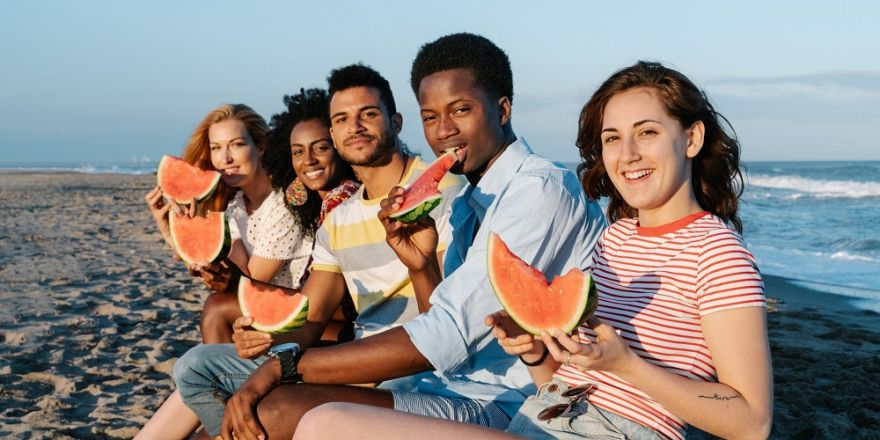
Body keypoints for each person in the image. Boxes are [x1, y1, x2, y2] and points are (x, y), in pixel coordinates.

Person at [294, 61, 773, 440]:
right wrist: (534, 351)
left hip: (612, 434)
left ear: (691, 138)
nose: (627, 153)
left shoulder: (718, 253)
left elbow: (751, 422)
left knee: (325, 423)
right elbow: (557, 380)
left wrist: (625, 363)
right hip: (542, 417)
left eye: (646, 132)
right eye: (612, 138)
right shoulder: (614, 238)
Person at [217, 33, 606, 440]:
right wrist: (419, 266)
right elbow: (439, 319)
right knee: (270, 404)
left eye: (461, 110)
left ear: (503, 109)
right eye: (431, 117)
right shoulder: (467, 201)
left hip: (512, 403)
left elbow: (447, 334)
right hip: (452, 388)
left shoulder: (540, 190)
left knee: (278, 408)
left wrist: (286, 364)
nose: (444, 132)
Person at [172, 65, 465, 439]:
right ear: (333, 132)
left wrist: (280, 368)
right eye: (342, 119)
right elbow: (308, 319)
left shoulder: (445, 191)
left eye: (368, 114)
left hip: (415, 369)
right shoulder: (338, 219)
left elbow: (445, 323)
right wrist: (265, 336)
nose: (354, 127)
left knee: (268, 410)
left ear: (395, 121)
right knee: (194, 367)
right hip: (357, 360)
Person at [136, 101, 336, 440]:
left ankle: (224, 407)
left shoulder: (283, 204)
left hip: (308, 316)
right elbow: (209, 263)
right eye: (216, 148)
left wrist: (214, 262)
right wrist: (169, 226)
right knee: (217, 304)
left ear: (259, 147)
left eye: (236, 145)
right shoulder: (236, 206)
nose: (225, 158)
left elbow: (252, 282)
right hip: (273, 309)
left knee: (217, 307)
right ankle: (222, 398)